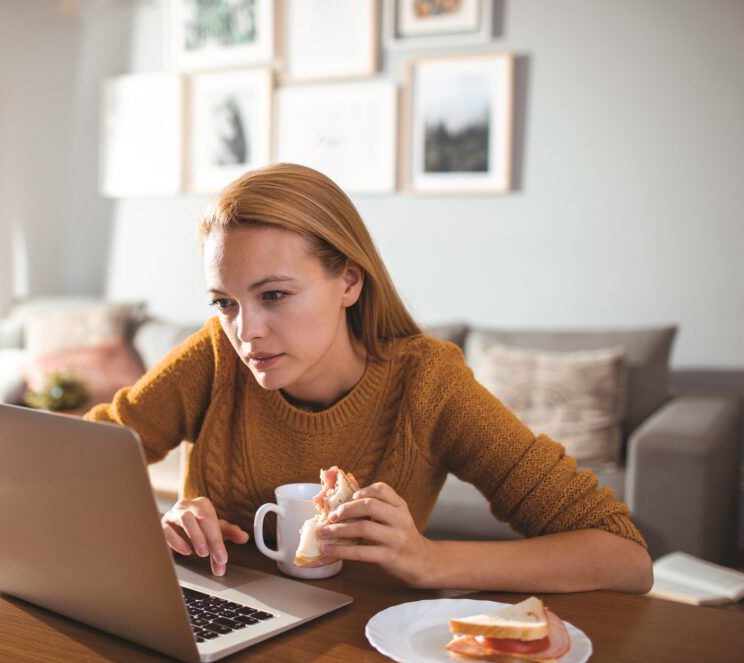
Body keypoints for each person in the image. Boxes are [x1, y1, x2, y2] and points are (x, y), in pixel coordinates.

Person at [85, 163, 653, 594]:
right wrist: (157, 519)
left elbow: (624, 557)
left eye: (274, 295)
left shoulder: (428, 385)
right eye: (224, 303)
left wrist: (431, 560)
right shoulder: (214, 357)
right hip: (214, 634)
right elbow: (77, 462)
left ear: (349, 283)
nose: (246, 331)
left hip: (361, 655)